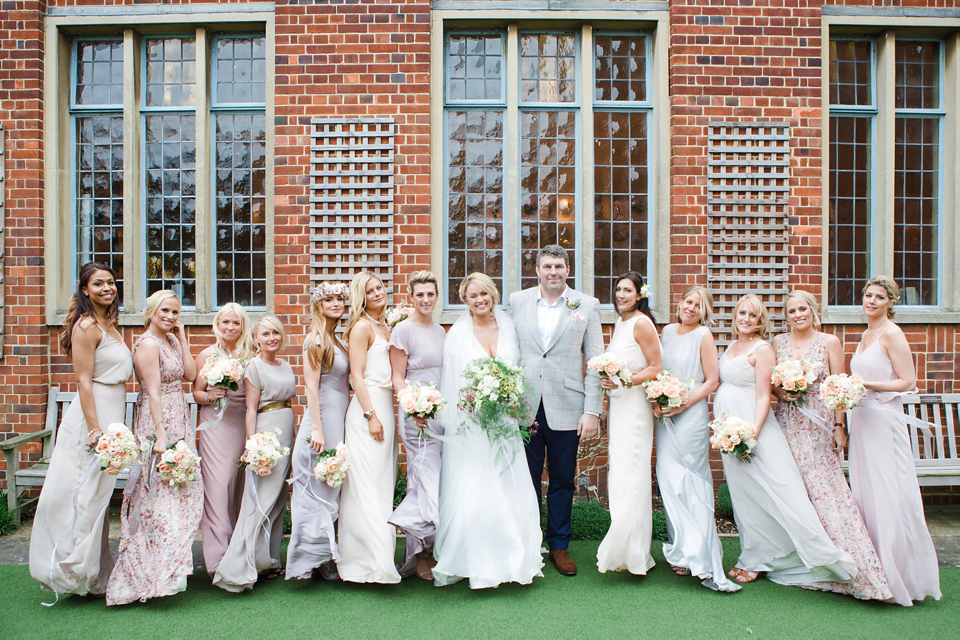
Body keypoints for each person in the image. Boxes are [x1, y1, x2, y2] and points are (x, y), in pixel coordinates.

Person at [715, 294, 856, 586]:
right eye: (742, 313)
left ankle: (814, 555)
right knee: (747, 496)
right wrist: (727, 433)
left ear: (760, 321)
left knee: (781, 489)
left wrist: (751, 433)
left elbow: (765, 394)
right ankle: (754, 557)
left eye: (753, 315)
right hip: (731, 433)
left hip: (753, 430)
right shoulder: (730, 346)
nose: (746, 319)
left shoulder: (763, 348)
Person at [772, 290, 891, 600]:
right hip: (787, 423)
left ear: (813, 311)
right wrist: (783, 393)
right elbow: (772, 386)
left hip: (819, 425)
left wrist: (840, 426)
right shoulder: (778, 344)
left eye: (802, 309)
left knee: (827, 490)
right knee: (796, 491)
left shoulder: (829, 342)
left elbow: (838, 386)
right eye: (791, 311)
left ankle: (849, 563)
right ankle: (804, 558)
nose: (797, 315)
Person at [432, 273, 543, 588]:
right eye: (472, 296)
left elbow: (516, 371)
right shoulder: (457, 334)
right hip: (473, 424)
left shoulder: (508, 326)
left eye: (483, 293)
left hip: (504, 421)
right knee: (476, 484)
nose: (479, 300)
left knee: (507, 482)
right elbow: (452, 384)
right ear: (465, 301)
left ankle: (511, 553)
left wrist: (512, 401)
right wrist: (470, 406)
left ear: (492, 294)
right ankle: (472, 557)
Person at [29, 263, 133, 600]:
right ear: (85, 290)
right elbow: (83, 381)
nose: (107, 288)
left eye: (111, 282)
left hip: (112, 414)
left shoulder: (111, 325)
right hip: (93, 419)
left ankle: (95, 573)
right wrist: (94, 428)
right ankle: (64, 569)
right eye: (98, 283)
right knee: (81, 495)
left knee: (99, 498)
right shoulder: (86, 327)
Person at [508, 245, 603, 576]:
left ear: (567, 269)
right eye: (547, 266)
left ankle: (559, 546)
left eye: (559, 266)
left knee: (562, 479)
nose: (553, 272)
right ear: (536, 269)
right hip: (525, 406)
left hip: (568, 406)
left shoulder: (587, 306)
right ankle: (530, 541)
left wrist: (592, 410)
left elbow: (595, 362)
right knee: (526, 479)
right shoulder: (517, 301)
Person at [848, 276, 941, 606]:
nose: (871, 301)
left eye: (879, 297)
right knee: (867, 492)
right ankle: (874, 572)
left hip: (883, 423)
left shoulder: (891, 333)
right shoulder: (865, 335)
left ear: (890, 303)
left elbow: (908, 381)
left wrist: (868, 386)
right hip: (861, 422)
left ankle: (901, 577)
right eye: (868, 295)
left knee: (889, 493)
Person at [107, 290, 202, 605]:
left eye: (175, 312)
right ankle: (146, 574)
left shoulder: (172, 340)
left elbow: (190, 375)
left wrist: (183, 338)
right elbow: (153, 391)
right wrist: (161, 435)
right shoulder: (147, 344)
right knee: (156, 498)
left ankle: (169, 571)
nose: (171, 317)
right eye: (165, 311)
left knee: (179, 494)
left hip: (179, 419)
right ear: (151, 311)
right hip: (158, 421)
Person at [653, 286, 739, 592]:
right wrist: (659, 398)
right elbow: (658, 371)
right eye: (688, 301)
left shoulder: (703, 335)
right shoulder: (666, 332)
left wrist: (683, 403)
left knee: (690, 479)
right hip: (666, 416)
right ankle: (680, 547)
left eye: (698, 305)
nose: (691, 308)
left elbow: (711, 381)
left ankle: (698, 551)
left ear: (705, 312)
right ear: (679, 303)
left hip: (691, 415)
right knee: (669, 479)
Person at [213, 315, 296, 591]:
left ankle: (267, 560)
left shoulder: (285, 365)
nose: (272, 338)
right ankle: (239, 564)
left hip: (286, 429)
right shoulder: (253, 366)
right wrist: (252, 444)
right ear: (256, 339)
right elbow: (250, 409)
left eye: (276, 332)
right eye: (265, 334)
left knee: (275, 502)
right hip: (266, 433)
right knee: (259, 499)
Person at [336, 271, 401, 584]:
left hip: (386, 406)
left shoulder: (386, 325)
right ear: (361, 296)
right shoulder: (361, 327)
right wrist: (370, 415)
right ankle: (365, 561)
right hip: (369, 408)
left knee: (381, 482)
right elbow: (356, 376)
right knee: (366, 484)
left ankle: (378, 555)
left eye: (380, 287)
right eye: (370, 290)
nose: (378, 293)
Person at [596, 272, 663, 575]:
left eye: (628, 290)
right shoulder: (620, 323)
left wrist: (623, 381)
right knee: (620, 474)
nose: (621, 294)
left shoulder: (641, 323)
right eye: (618, 289)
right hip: (620, 407)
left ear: (639, 295)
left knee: (633, 474)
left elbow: (656, 367)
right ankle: (625, 548)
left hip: (635, 408)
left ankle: (635, 553)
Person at [286, 283, 350, 581]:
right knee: (315, 489)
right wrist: (317, 429)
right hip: (321, 421)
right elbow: (311, 387)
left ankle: (326, 555)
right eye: (329, 300)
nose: (336, 303)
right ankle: (309, 561)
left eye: (340, 299)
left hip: (339, 420)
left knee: (330, 487)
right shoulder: (314, 340)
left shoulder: (337, 340)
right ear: (318, 305)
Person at [388, 271, 446, 580]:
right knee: (422, 477)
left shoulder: (440, 331)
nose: (425, 299)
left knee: (437, 480)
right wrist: (411, 408)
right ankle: (419, 553)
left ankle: (434, 546)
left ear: (437, 297)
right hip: (416, 415)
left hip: (439, 414)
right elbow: (398, 376)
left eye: (430, 294)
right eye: (419, 294)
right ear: (411, 297)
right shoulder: (403, 330)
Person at [193, 303, 253, 576]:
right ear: (217, 324)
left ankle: (240, 552)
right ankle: (217, 560)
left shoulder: (250, 354)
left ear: (243, 326)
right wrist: (210, 395)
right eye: (225, 322)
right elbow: (196, 393)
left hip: (243, 422)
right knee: (219, 487)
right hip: (216, 426)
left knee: (241, 486)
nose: (230, 327)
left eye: (236, 323)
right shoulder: (207, 354)